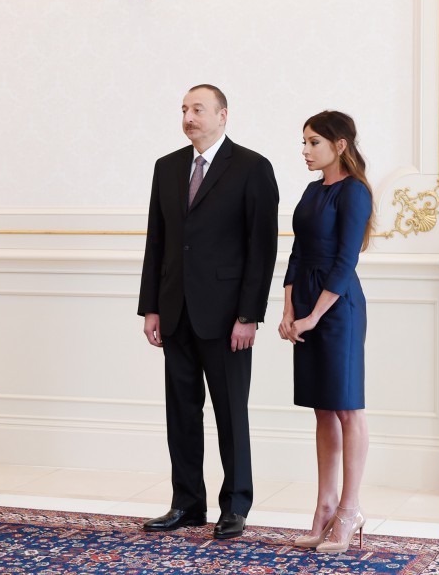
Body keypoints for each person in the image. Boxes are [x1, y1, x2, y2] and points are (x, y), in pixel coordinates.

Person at [138, 84, 279, 540]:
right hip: (175, 311)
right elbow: (157, 241)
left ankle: (235, 505)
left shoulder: (253, 167)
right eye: (184, 109)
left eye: (198, 109)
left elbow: (262, 249)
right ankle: (186, 503)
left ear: (223, 115)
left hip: (227, 317)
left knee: (230, 413)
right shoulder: (167, 167)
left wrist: (249, 315)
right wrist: (151, 307)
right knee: (181, 412)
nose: (189, 117)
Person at [277, 110, 374, 554]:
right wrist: (288, 309)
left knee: (347, 408)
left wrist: (315, 315)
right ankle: (325, 507)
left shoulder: (354, 192)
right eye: (304, 142)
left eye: (313, 142)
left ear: (339, 145)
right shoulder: (312, 191)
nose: (305, 150)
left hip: (338, 308)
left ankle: (350, 510)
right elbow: (298, 252)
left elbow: (345, 260)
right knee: (322, 409)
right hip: (306, 303)